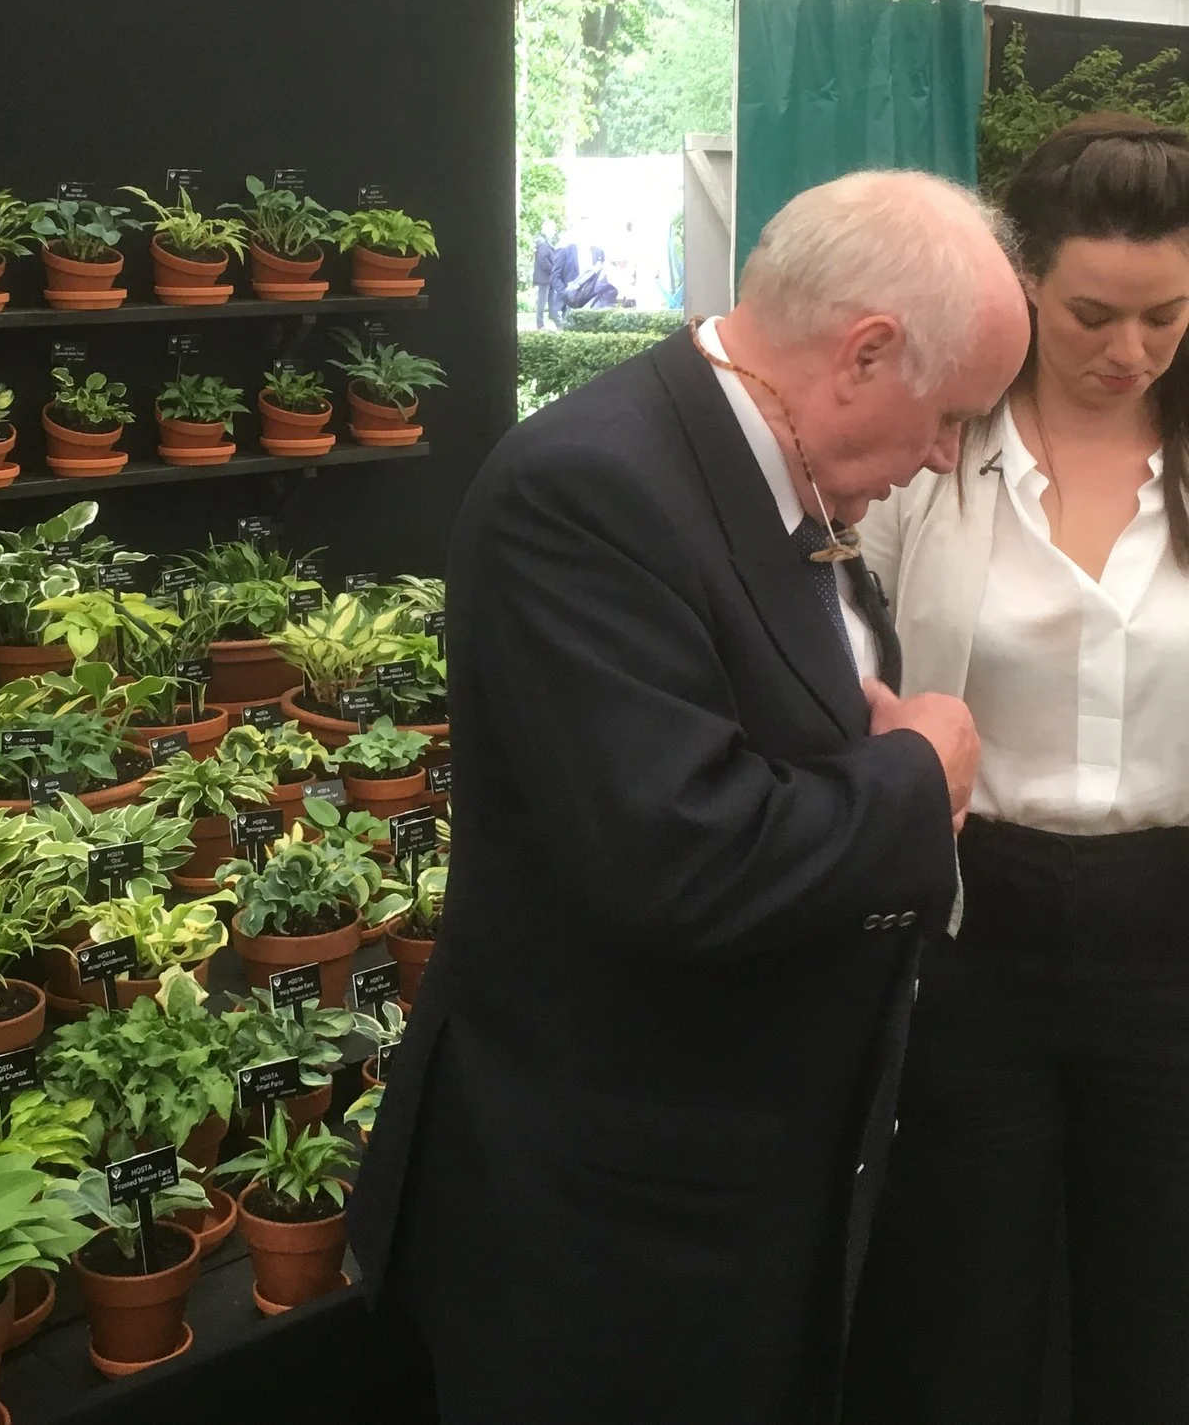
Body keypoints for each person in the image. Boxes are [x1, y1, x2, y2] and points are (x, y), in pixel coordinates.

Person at [349, 171, 1031, 1423]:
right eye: (952, 416)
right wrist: (914, 774)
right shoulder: (588, 489)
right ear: (865, 352)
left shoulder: (789, 472)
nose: (945, 457)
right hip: (610, 1228)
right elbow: (679, 855)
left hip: (744, 1187)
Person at [849, 116, 1189, 1425]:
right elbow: (852, 693)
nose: (1130, 350)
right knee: (959, 1310)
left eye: (1164, 315)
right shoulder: (932, 469)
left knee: (1173, 1322)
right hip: (974, 935)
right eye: (1092, 314)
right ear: (1023, 285)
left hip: (1185, 939)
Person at [530, 227, 561, 328]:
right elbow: (543, 261)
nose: (554, 232)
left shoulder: (546, 243)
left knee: (551, 301)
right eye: (552, 230)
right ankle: (540, 324)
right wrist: (552, 270)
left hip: (548, 278)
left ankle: (557, 322)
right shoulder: (543, 244)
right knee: (542, 302)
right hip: (544, 278)